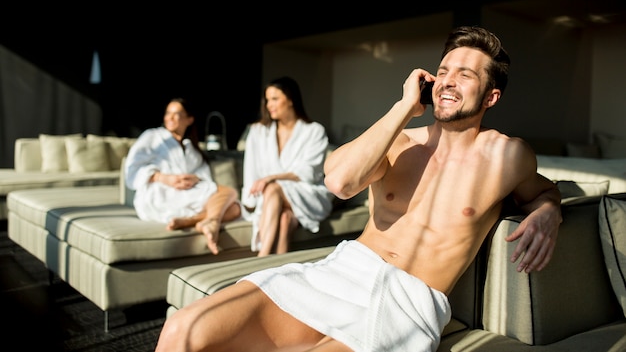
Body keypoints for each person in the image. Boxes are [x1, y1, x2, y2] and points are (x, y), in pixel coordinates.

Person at [154, 26, 563, 352]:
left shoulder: (507, 157)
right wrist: (404, 108)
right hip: (343, 270)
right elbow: (339, 182)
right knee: (182, 330)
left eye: (465, 74)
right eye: (444, 70)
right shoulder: (400, 141)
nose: (448, 81)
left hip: (407, 300)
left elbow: (543, 192)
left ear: (491, 96)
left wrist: (549, 210)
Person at [124, 97, 241, 255]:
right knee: (230, 193)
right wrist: (163, 178)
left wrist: (196, 178)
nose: (170, 117)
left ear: (189, 119)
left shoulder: (191, 147)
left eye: (176, 114)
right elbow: (132, 170)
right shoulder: (152, 137)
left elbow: (203, 174)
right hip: (160, 193)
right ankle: (209, 221)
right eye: (168, 113)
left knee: (234, 208)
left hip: (188, 193)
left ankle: (191, 221)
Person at [240, 76, 334, 256]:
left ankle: (261, 258)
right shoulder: (258, 131)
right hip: (269, 197)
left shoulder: (314, 131)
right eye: (267, 100)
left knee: (274, 189)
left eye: (275, 99)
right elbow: (251, 169)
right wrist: (250, 199)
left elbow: (310, 172)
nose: (269, 105)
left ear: (291, 100)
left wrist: (272, 178)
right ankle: (277, 270)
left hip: (307, 192)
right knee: (285, 220)